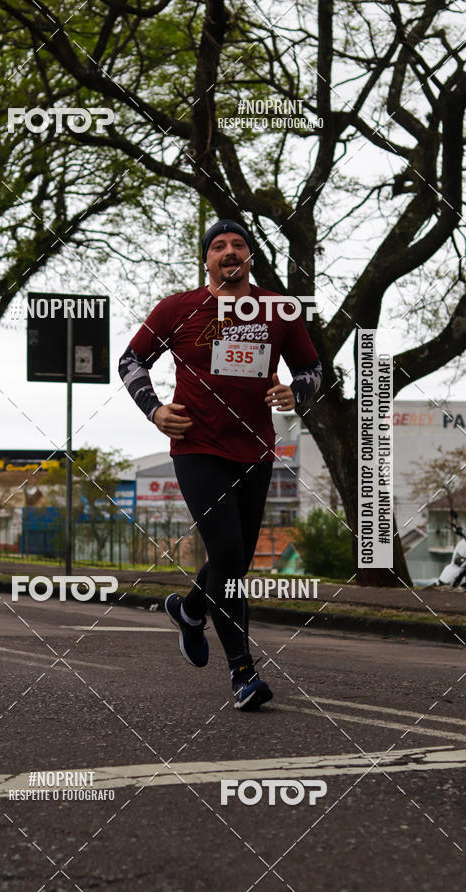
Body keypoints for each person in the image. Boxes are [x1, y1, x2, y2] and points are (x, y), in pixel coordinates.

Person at [119, 220, 322, 710]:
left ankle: (189, 610)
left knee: (233, 560)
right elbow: (130, 359)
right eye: (219, 246)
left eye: (239, 245)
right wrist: (155, 410)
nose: (229, 252)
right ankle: (243, 674)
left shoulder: (279, 309)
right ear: (206, 260)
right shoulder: (177, 309)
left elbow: (316, 370)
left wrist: (296, 393)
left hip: (255, 448)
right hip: (196, 445)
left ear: (250, 257)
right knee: (228, 551)